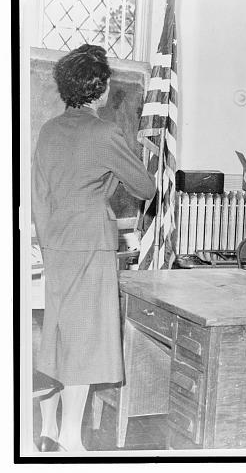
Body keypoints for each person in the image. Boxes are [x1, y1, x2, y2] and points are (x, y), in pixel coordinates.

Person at [32, 44, 156, 452]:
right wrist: (115, 175)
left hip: (55, 245)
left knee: (58, 336)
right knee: (84, 341)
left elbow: (39, 196)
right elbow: (146, 187)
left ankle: (49, 429)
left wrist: (49, 242)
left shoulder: (49, 130)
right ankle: (71, 437)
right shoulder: (104, 133)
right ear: (99, 88)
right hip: (90, 244)